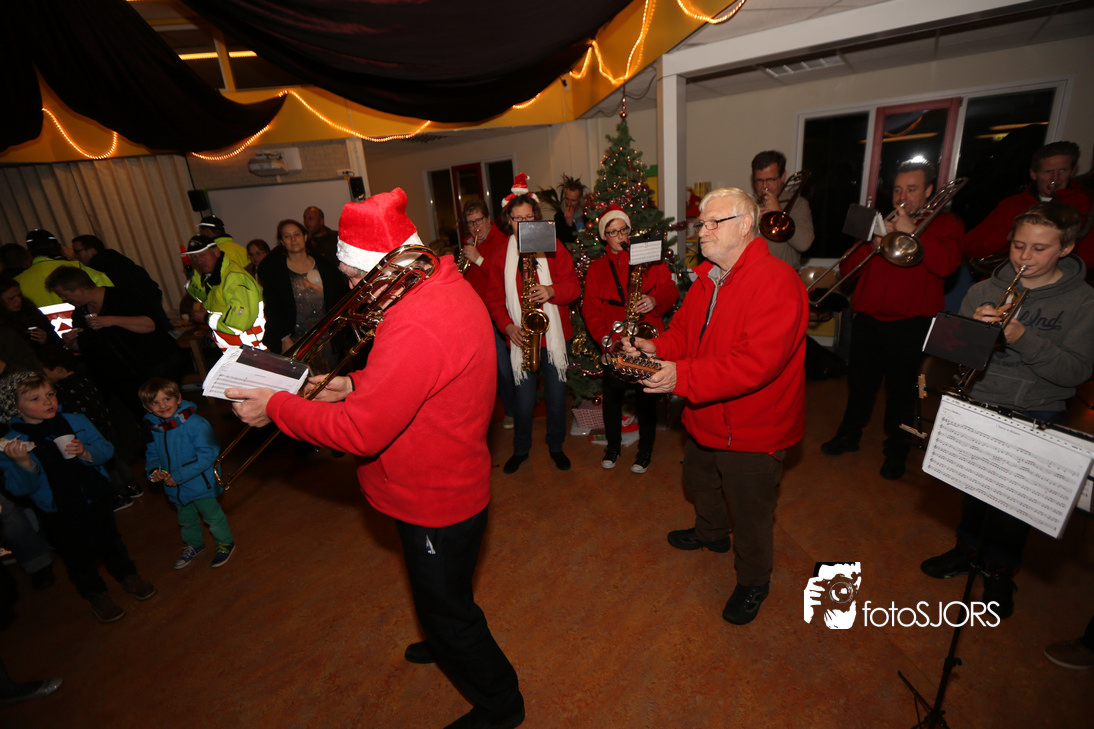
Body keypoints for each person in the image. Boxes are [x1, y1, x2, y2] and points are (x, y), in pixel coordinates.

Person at [225, 188, 524, 729]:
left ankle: (501, 704)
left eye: (354, 275)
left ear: (386, 266)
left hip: (436, 498)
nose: (351, 286)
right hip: (442, 479)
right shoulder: (440, 285)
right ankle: (442, 631)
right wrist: (348, 384)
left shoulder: (414, 320)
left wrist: (276, 406)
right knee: (441, 592)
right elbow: (415, 379)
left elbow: (360, 432)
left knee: (451, 611)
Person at [622, 187, 808, 625]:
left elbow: (754, 364)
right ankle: (711, 533)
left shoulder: (777, 282)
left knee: (751, 513)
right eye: (700, 224)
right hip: (706, 412)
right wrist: (655, 345)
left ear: (745, 225)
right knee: (699, 479)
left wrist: (680, 377)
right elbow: (685, 334)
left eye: (712, 223)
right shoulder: (708, 278)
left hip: (754, 427)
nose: (701, 231)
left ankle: (754, 581)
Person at [920, 202, 1094, 618]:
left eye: (1039, 249)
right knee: (972, 489)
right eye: (1018, 246)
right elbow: (952, 357)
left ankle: (1000, 570)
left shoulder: (1082, 301)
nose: (1024, 257)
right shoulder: (982, 290)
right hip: (979, 403)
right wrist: (971, 335)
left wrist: (1020, 337)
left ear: (1066, 249)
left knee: (1013, 506)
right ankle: (967, 549)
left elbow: (1075, 372)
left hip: (1035, 413)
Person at [821, 160, 964, 480]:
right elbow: (847, 270)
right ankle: (848, 434)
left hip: (911, 324)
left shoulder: (946, 224)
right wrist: (871, 245)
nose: (902, 196)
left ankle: (897, 449)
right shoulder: (880, 223)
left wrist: (913, 232)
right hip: (868, 320)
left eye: (912, 189)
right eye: (898, 189)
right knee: (860, 385)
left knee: (903, 392)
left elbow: (947, 265)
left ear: (929, 191)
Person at [0, 371, 157, 624]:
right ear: (15, 407)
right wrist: (24, 464)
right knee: (76, 556)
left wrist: (85, 452)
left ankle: (129, 576)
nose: (48, 401)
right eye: (35, 398)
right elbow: (19, 489)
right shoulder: (10, 444)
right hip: (57, 510)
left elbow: (106, 449)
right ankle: (97, 595)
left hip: (95, 496)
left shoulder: (75, 420)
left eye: (50, 394)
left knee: (111, 542)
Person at [486, 174, 581, 474]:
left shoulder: (553, 246)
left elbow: (574, 287)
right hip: (521, 338)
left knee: (556, 400)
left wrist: (552, 291)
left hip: (554, 338)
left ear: (536, 218)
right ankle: (520, 449)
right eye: (517, 219)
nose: (523, 223)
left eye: (528, 217)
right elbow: (494, 299)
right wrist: (507, 326)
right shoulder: (500, 255)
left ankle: (556, 446)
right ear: (509, 220)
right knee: (524, 403)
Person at [582, 205, 677, 473]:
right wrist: (605, 338)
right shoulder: (597, 268)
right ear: (604, 236)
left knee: (646, 397)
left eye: (623, 230)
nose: (620, 236)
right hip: (615, 342)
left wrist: (655, 300)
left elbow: (670, 291)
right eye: (613, 232)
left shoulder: (650, 259)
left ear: (629, 230)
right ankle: (613, 447)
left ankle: (645, 451)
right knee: (612, 396)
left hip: (646, 340)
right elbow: (590, 309)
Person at [46, 266, 186, 417]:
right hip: (123, 379)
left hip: (155, 367)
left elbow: (150, 325)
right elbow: (86, 346)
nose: (63, 299)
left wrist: (112, 320)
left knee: (168, 411)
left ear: (80, 290)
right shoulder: (80, 313)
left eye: (64, 295)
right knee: (145, 417)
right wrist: (71, 342)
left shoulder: (123, 296)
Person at [139, 378, 235, 570]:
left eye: (167, 399)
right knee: (186, 519)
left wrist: (179, 475)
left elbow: (208, 454)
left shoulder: (196, 423)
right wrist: (154, 471)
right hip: (175, 487)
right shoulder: (154, 428)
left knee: (212, 517)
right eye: (155, 402)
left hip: (200, 484)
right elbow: (152, 454)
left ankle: (225, 542)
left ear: (178, 398)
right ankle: (195, 544)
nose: (162, 405)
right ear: (147, 407)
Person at [38, 344, 145, 512]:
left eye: (45, 373)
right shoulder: (85, 378)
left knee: (105, 465)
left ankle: (118, 495)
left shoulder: (66, 390)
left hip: (89, 433)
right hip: (104, 426)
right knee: (115, 459)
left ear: (58, 369)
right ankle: (132, 486)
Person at [965, 141, 1094, 270]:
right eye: (1048, 172)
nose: (1055, 178)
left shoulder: (1085, 204)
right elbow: (970, 246)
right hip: (1004, 275)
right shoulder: (1011, 204)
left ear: (1073, 171)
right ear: (1033, 173)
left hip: (1057, 278)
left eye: (1063, 171)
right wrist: (1010, 234)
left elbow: (1088, 257)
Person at [258, 219, 345, 369]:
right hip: (294, 341)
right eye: (287, 236)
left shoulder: (325, 266)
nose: (293, 239)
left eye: (297, 234)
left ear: (305, 237)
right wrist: (284, 338)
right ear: (281, 242)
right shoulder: (276, 272)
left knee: (328, 380)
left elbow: (339, 298)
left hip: (326, 340)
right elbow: (273, 309)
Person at [461, 199, 516, 429]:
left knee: (503, 366)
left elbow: (503, 276)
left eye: (478, 221)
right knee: (482, 369)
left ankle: (512, 411)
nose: (475, 227)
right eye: (470, 223)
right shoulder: (469, 243)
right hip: (475, 316)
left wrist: (478, 259)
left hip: (496, 313)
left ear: (488, 219)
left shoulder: (502, 241)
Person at [184, 235, 265, 351]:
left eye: (203, 255)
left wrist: (206, 318)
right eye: (194, 257)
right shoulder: (215, 279)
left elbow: (237, 324)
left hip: (253, 351)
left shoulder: (234, 279)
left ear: (216, 252)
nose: (199, 261)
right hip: (237, 352)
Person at [14, 229, 113, 307]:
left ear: (29, 253)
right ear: (60, 248)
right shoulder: (82, 270)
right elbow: (110, 297)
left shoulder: (17, 281)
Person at [751, 150, 814, 269]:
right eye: (759, 180)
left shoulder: (798, 204)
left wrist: (779, 212)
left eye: (770, 179)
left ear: (783, 176)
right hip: (753, 274)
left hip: (784, 276)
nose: (764, 186)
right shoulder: (746, 204)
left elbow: (804, 244)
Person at [70, 234, 163, 312]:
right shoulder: (121, 262)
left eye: (77, 252)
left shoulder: (100, 269)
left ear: (92, 250)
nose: (75, 256)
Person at [0, 278, 62, 353]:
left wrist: (47, 340)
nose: (18, 300)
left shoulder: (31, 312)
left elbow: (57, 342)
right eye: (11, 298)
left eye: (19, 295)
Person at [553, 175, 586, 245]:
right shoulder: (559, 217)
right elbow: (563, 244)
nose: (569, 203)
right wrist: (569, 225)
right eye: (567, 199)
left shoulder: (588, 214)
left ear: (581, 199)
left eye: (573, 200)